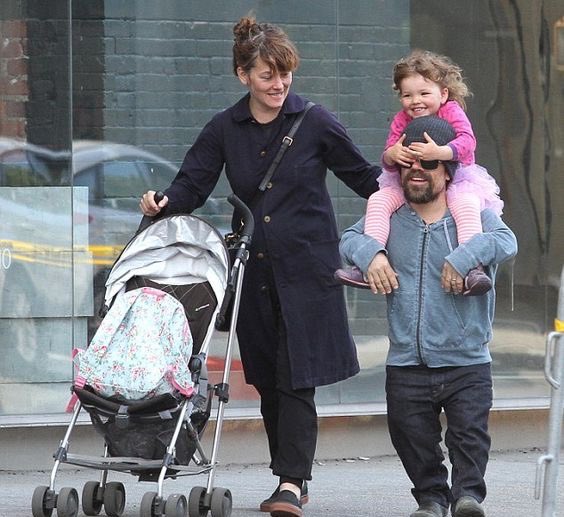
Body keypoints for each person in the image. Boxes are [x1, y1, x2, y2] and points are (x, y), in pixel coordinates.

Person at [140, 15, 380, 517]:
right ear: (243, 74)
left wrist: (421, 183)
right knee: (269, 377)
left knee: (298, 375)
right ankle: (291, 478)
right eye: (268, 75)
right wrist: (162, 204)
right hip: (252, 272)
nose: (279, 84)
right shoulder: (225, 127)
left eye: (285, 73)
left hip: (309, 272)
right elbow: (192, 184)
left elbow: (363, 178)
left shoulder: (315, 121)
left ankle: (291, 482)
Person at [338, 116, 517, 517]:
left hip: (466, 357)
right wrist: (373, 254)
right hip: (406, 358)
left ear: (448, 170)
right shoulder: (388, 219)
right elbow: (349, 239)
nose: (416, 171)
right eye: (407, 164)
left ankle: (468, 497)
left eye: (428, 164)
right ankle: (432, 500)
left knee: (469, 437)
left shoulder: (473, 216)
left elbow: (507, 241)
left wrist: (464, 257)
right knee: (411, 437)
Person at [336, 50, 503, 296]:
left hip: (457, 178)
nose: (416, 101)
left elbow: (468, 142)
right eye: (408, 95)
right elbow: (389, 152)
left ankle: (472, 268)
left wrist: (440, 152)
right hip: (411, 183)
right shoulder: (401, 118)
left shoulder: (451, 111)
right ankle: (368, 262)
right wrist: (392, 156)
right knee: (378, 200)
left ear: (443, 93)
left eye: (424, 93)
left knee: (466, 207)